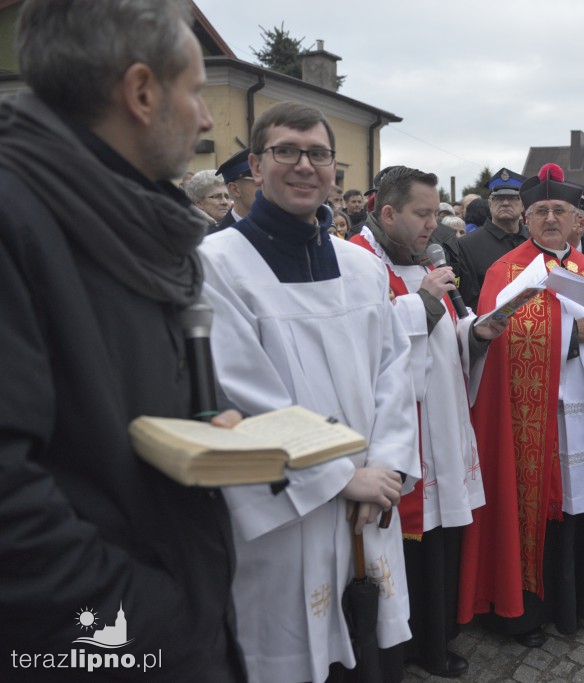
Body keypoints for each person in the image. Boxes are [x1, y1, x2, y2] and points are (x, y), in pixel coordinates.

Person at [0, 1, 245, 681]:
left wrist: (203, 426)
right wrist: (164, 618)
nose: (204, 119)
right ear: (141, 92)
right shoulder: (17, 220)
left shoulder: (126, 217)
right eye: (195, 92)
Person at [199, 101, 419, 683]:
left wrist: (389, 468)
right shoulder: (216, 264)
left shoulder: (361, 267)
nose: (304, 166)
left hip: (372, 500)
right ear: (256, 164)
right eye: (286, 152)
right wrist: (342, 477)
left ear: (333, 168)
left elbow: (394, 373)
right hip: (290, 511)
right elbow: (235, 390)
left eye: (318, 154)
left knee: (369, 651)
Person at [459, 163, 584, 648]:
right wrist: (571, 336)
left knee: (580, 507)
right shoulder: (509, 270)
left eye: (559, 209)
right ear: (525, 216)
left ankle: (575, 601)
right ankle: (523, 612)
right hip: (534, 421)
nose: (550, 218)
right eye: (539, 210)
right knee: (533, 510)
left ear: (577, 218)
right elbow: (496, 340)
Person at [349, 166, 508, 678]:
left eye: (437, 214)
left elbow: (446, 341)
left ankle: (434, 637)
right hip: (399, 437)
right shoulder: (355, 261)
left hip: (441, 420)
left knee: (439, 544)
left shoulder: (426, 260)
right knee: (408, 547)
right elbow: (365, 343)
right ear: (388, 212)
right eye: (423, 214)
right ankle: (405, 647)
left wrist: (477, 334)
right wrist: (423, 305)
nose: (433, 226)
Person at [443, 167, 528, 312]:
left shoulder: (535, 241)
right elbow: (466, 299)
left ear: (523, 205)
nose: (505, 203)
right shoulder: (466, 245)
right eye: (499, 198)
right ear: (490, 204)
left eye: (513, 198)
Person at [212, 146, 255, 232]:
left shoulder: (284, 231)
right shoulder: (210, 238)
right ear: (234, 189)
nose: (270, 188)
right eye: (261, 183)